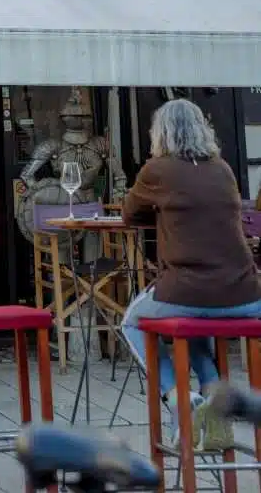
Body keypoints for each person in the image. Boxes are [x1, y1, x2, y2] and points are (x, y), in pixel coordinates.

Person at [121, 99, 261, 452]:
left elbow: (129, 213)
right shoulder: (223, 169)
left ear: (160, 133)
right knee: (192, 328)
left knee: (131, 323)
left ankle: (178, 398)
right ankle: (214, 401)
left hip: (187, 289)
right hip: (247, 295)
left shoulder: (158, 170)